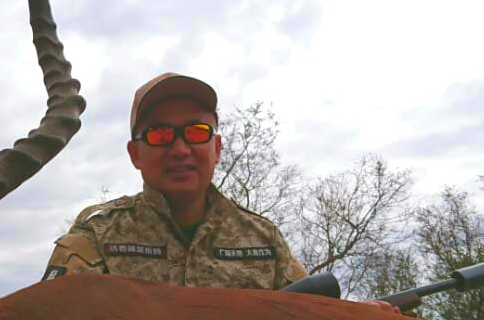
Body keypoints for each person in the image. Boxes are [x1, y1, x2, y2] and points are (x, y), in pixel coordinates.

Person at [42, 72, 320, 291]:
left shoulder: (264, 239)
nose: (180, 150)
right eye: (159, 134)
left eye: (197, 132)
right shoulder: (96, 232)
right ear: (135, 153)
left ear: (218, 149)